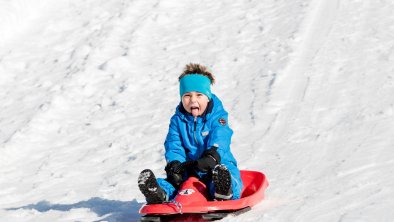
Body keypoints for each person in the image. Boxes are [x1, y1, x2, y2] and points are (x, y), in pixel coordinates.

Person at [138, 63, 243, 204]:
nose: (193, 100)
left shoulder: (217, 116)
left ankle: (224, 189)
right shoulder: (177, 120)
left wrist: (213, 155)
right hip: (189, 168)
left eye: (199, 95)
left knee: (227, 174)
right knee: (176, 184)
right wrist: (175, 163)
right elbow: (174, 144)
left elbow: (221, 135)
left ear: (208, 97)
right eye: (187, 95)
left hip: (217, 163)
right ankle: (159, 192)